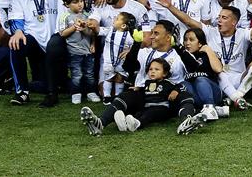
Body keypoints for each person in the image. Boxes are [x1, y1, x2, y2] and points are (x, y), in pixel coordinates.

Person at [80, 20, 211, 136]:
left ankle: (186, 122)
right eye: (152, 33)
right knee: (125, 96)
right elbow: (128, 67)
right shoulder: (145, 51)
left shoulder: (180, 54)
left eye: (156, 34)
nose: (152, 37)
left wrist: (177, 46)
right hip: (144, 93)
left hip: (168, 97)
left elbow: (194, 68)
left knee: (185, 96)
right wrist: (136, 44)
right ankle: (100, 124)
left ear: (168, 37)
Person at [7, 0, 66, 107]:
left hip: (55, 39)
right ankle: (22, 92)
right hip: (32, 38)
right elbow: (15, 18)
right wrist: (18, 31)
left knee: (53, 86)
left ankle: (44, 84)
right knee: (16, 43)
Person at [113, 58, 183, 132]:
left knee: (149, 114)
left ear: (164, 73)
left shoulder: (167, 83)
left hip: (162, 108)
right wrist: (138, 88)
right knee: (139, 113)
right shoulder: (147, 82)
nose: (153, 71)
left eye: (157, 69)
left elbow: (179, 86)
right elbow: (145, 90)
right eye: (150, 69)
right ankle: (124, 124)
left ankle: (137, 124)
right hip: (147, 107)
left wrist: (175, 91)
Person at [57, 0, 100, 104]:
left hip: (88, 51)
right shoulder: (64, 17)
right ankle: (76, 93)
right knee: (77, 74)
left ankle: (91, 92)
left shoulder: (87, 15)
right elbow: (62, 33)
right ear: (66, 4)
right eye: (75, 2)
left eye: (81, 1)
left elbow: (92, 33)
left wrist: (91, 42)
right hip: (73, 51)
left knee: (89, 74)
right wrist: (74, 27)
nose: (80, 5)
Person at [99, 11, 137, 104]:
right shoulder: (110, 30)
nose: (114, 19)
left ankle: (117, 96)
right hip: (109, 61)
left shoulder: (129, 36)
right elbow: (99, 30)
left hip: (122, 62)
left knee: (120, 78)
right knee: (108, 78)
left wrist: (129, 51)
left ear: (123, 26)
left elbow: (135, 45)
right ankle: (107, 97)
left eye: (117, 19)